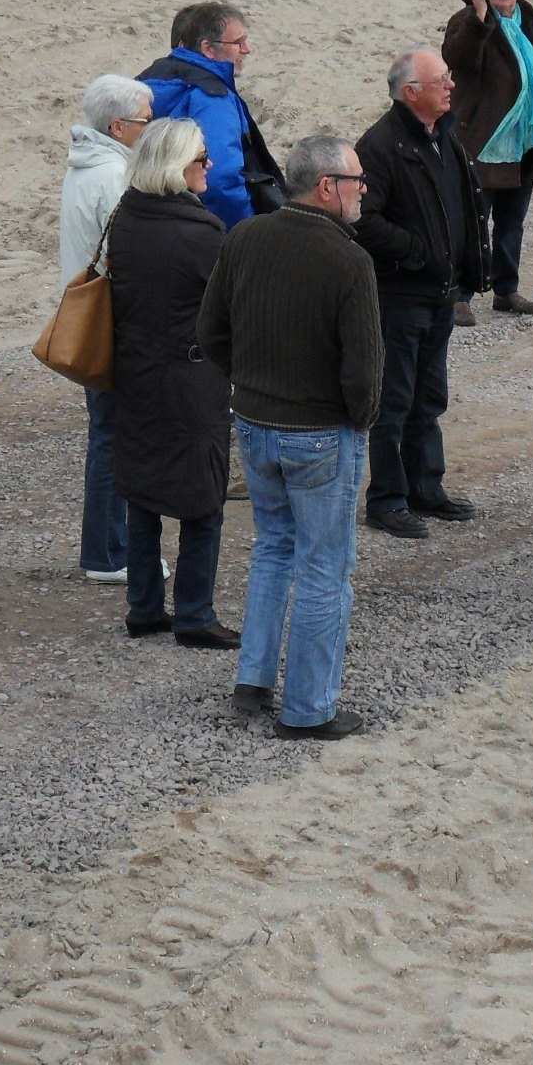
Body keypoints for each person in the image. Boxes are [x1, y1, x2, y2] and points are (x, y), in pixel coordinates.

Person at [197, 133, 381, 739]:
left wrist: (250, 384)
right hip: (319, 432)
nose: (363, 191)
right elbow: (363, 366)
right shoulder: (348, 260)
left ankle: (253, 679)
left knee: (275, 548)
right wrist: (360, 419)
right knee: (325, 567)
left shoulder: (246, 236)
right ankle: (307, 710)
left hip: (255, 423)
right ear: (327, 186)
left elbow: (211, 329)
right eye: (356, 181)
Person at [106, 119, 240, 650]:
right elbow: (229, 307)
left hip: (135, 372)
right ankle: (194, 613)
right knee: (203, 498)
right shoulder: (199, 233)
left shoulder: (126, 218)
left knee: (143, 491)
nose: (210, 165)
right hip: (191, 379)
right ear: (176, 167)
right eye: (201, 158)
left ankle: (143, 606)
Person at [353, 50, 485, 540]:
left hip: (439, 294)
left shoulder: (443, 136)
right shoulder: (380, 146)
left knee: (428, 398)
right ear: (411, 92)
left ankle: (425, 488)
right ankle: (388, 499)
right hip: (400, 296)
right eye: (441, 80)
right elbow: (362, 219)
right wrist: (417, 251)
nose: (451, 86)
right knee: (394, 401)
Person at [439, 0, 533, 325]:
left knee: (512, 221)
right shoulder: (467, 20)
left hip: (527, 141)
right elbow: (458, 58)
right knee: (472, 221)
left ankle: (506, 290)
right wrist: (479, 12)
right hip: (482, 140)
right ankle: (460, 295)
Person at [59, 73, 154, 586]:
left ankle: (108, 547)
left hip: (97, 318)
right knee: (116, 437)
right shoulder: (113, 176)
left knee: (108, 434)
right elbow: (128, 255)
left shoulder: (86, 167)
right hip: (114, 322)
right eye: (145, 120)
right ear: (119, 127)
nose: (151, 128)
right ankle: (109, 553)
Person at [138, 2, 283, 230]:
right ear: (208, 49)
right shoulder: (213, 99)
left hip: (153, 213)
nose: (247, 49)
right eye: (239, 42)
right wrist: (246, 232)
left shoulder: (149, 79)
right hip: (198, 225)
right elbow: (220, 181)